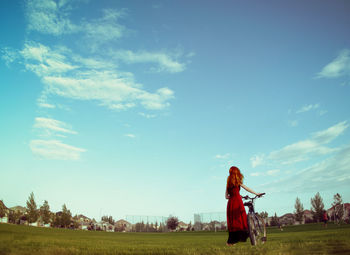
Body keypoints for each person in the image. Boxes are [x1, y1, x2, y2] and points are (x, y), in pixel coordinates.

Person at [225, 166, 264, 246]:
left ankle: (232, 241)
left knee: (233, 222)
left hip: (231, 203)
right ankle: (246, 235)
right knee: (240, 219)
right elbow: (247, 188)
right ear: (236, 173)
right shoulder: (237, 181)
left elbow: (226, 196)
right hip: (238, 202)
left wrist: (234, 196)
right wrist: (256, 193)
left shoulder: (228, 184)